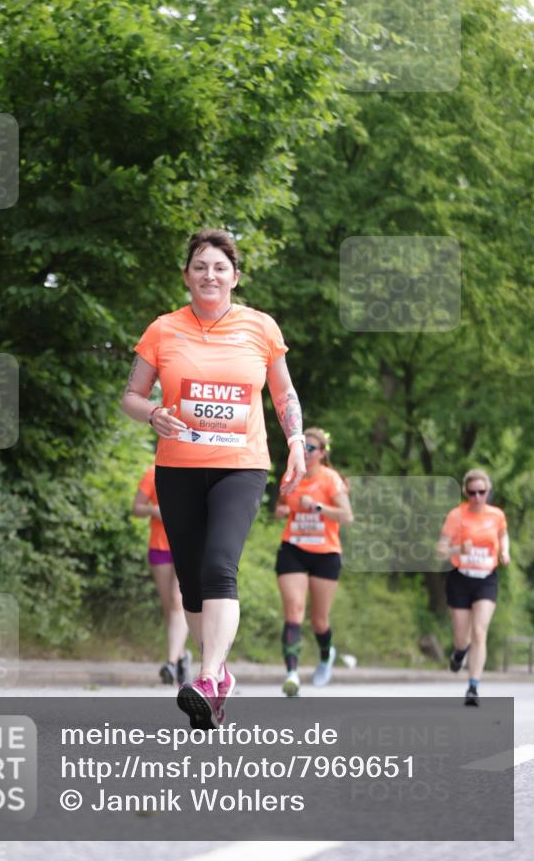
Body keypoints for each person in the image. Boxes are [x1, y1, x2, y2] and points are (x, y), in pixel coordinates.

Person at [122, 228, 306, 729]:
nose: (210, 274)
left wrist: (294, 442)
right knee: (191, 585)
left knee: (220, 565)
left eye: (219, 267)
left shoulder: (259, 327)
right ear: (186, 276)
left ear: (235, 277)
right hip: (178, 467)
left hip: (240, 466)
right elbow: (132, 396)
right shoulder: (163, 329)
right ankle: (218, 676)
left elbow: (284, 393)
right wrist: (153, 414)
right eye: (200, 266)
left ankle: (205, 678)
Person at [274, 427, 353, 696]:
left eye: (311, 449)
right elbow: (281, 506)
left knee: (319, 620)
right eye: (302, 447)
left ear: (321, 453)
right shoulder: (291, 475)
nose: (305, 453)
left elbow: (347, 516)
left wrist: (317, 507)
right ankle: (292, 674)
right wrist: (282, 510)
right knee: (294, 610)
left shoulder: (331, 480)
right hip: (293, 548)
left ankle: (324, 655)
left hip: (325, 553)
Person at [437, 468, 510, 707]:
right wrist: (459, 550)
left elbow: (503, 535)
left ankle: (473, 687)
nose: (477, 497)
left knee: (480, 631)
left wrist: (505, 551)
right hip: (460, 578)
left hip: (486, 579)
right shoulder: (456, 515)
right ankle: (459, 653)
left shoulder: (496, 515)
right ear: (465, 492)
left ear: (488, 491)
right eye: (472, 492)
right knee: (462, 637)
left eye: (482, 492)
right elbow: (441, 550)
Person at [132, 464, 191, 686]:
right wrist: (152, 510)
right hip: (160, 546)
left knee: (178, 602)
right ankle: (182, 657)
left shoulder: (195, 471)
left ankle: (170, 663)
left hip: (186, 545)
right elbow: (136, 508)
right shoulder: (153, 472)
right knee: (169, 608)